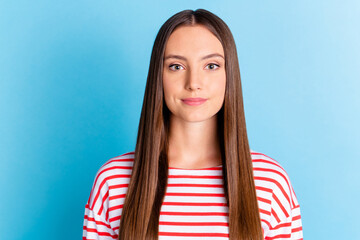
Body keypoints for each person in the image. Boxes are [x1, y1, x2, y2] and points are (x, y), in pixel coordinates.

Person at [82, 9, 303, 240]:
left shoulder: (269, 182)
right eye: (176, 66)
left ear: (230, 75)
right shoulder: (114, 180)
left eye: (211, 66)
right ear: (159, 77)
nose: (194, 83)